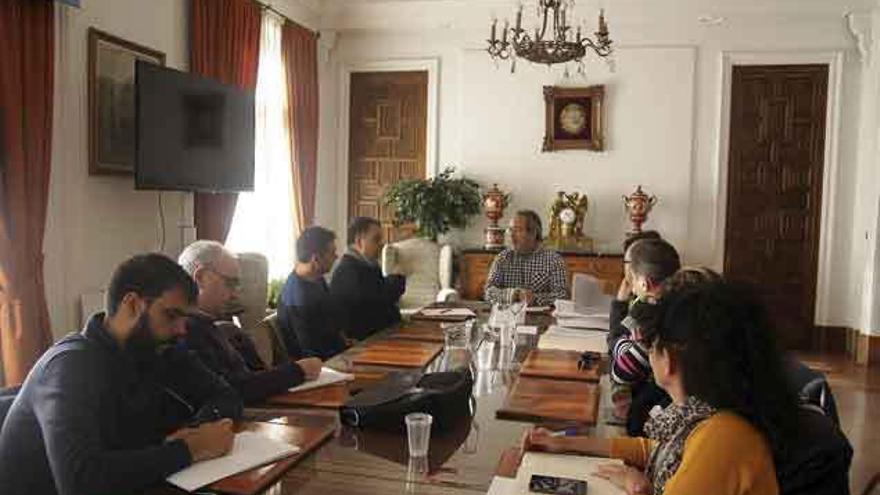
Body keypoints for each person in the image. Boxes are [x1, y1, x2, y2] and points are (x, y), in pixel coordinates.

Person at [524, 279, 799, 495]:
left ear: (669, 360)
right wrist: (564, 442)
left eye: (651, 346)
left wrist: (635, 485)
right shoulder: (702, 413)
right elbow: (651, 449)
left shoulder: (723, 437)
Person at [0, 254, 242, 495]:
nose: (181, 330)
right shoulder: (70, 365)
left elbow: (225, 395)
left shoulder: (158, 349)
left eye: (184, 318)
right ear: (133, 304)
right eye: (171, 315)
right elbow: (81, 482)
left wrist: (198, 431)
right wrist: (189, 448)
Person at [178, 241, 323, 405]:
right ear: (201, 277)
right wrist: (298, 371)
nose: (234, 294)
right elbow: (231, 390)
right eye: (230, 283)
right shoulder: (184, 331)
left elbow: (256, 376)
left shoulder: (220, 328)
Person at [608, 236, 681, 436]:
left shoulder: (649, 313)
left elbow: (620, 371)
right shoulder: (678, 303)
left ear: (645, 283)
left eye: (632, 278)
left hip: (656, 419)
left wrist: (619, 307)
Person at [278, 226, 348, 360]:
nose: (336, 257)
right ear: (315, 259)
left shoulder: (316, 279)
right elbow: (309, 351)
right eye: (332, 253)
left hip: (335, 357)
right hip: (320, 369)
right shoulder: (298, 297)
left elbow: (332, 324)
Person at [330, 217, 406, 340]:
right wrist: (397, 280)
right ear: (359, 241)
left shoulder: (368, 265)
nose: (381, 245)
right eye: (376, 240)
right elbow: (380, 302)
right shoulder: (348, 271)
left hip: (384, 335)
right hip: (367, 343)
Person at [484, 210, 568, 306]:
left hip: (542, 318)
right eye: (510, 230)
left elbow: (562, 295)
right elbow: (488, 292)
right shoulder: (503, 258)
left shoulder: (554, 260)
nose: (511, 235)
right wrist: (514, 295)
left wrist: (535, 299)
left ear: (533, 233)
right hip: (508, 317)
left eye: (517, 230)